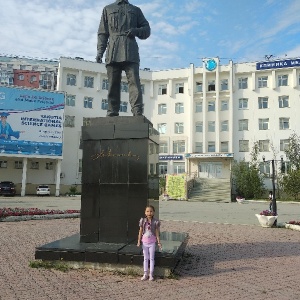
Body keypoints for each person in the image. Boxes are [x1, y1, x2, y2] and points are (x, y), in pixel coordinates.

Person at [96, 0, 151, 117]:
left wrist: (136, 31)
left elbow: (147, 30)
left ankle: (137, 111)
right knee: (112, 83)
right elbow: (103, 33)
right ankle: (112, 111)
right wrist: (100, 52)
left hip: (130, 49)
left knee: (134, 82)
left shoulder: (136, 10)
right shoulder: (108, 9)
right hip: (113, 50)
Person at [137, 205, 162, 281]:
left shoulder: (155, 222)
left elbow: (157, 233)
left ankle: (151, 273)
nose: (149, 213)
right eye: (147, 211)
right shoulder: (143, 221)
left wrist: (158, 242)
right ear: (145, 212)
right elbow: (140, 231)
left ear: (153, 212)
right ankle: (145, 273)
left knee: (151, 258)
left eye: (151, 211)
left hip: (152, 242)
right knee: (145, 258)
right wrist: (138, 241)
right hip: (144, 242)